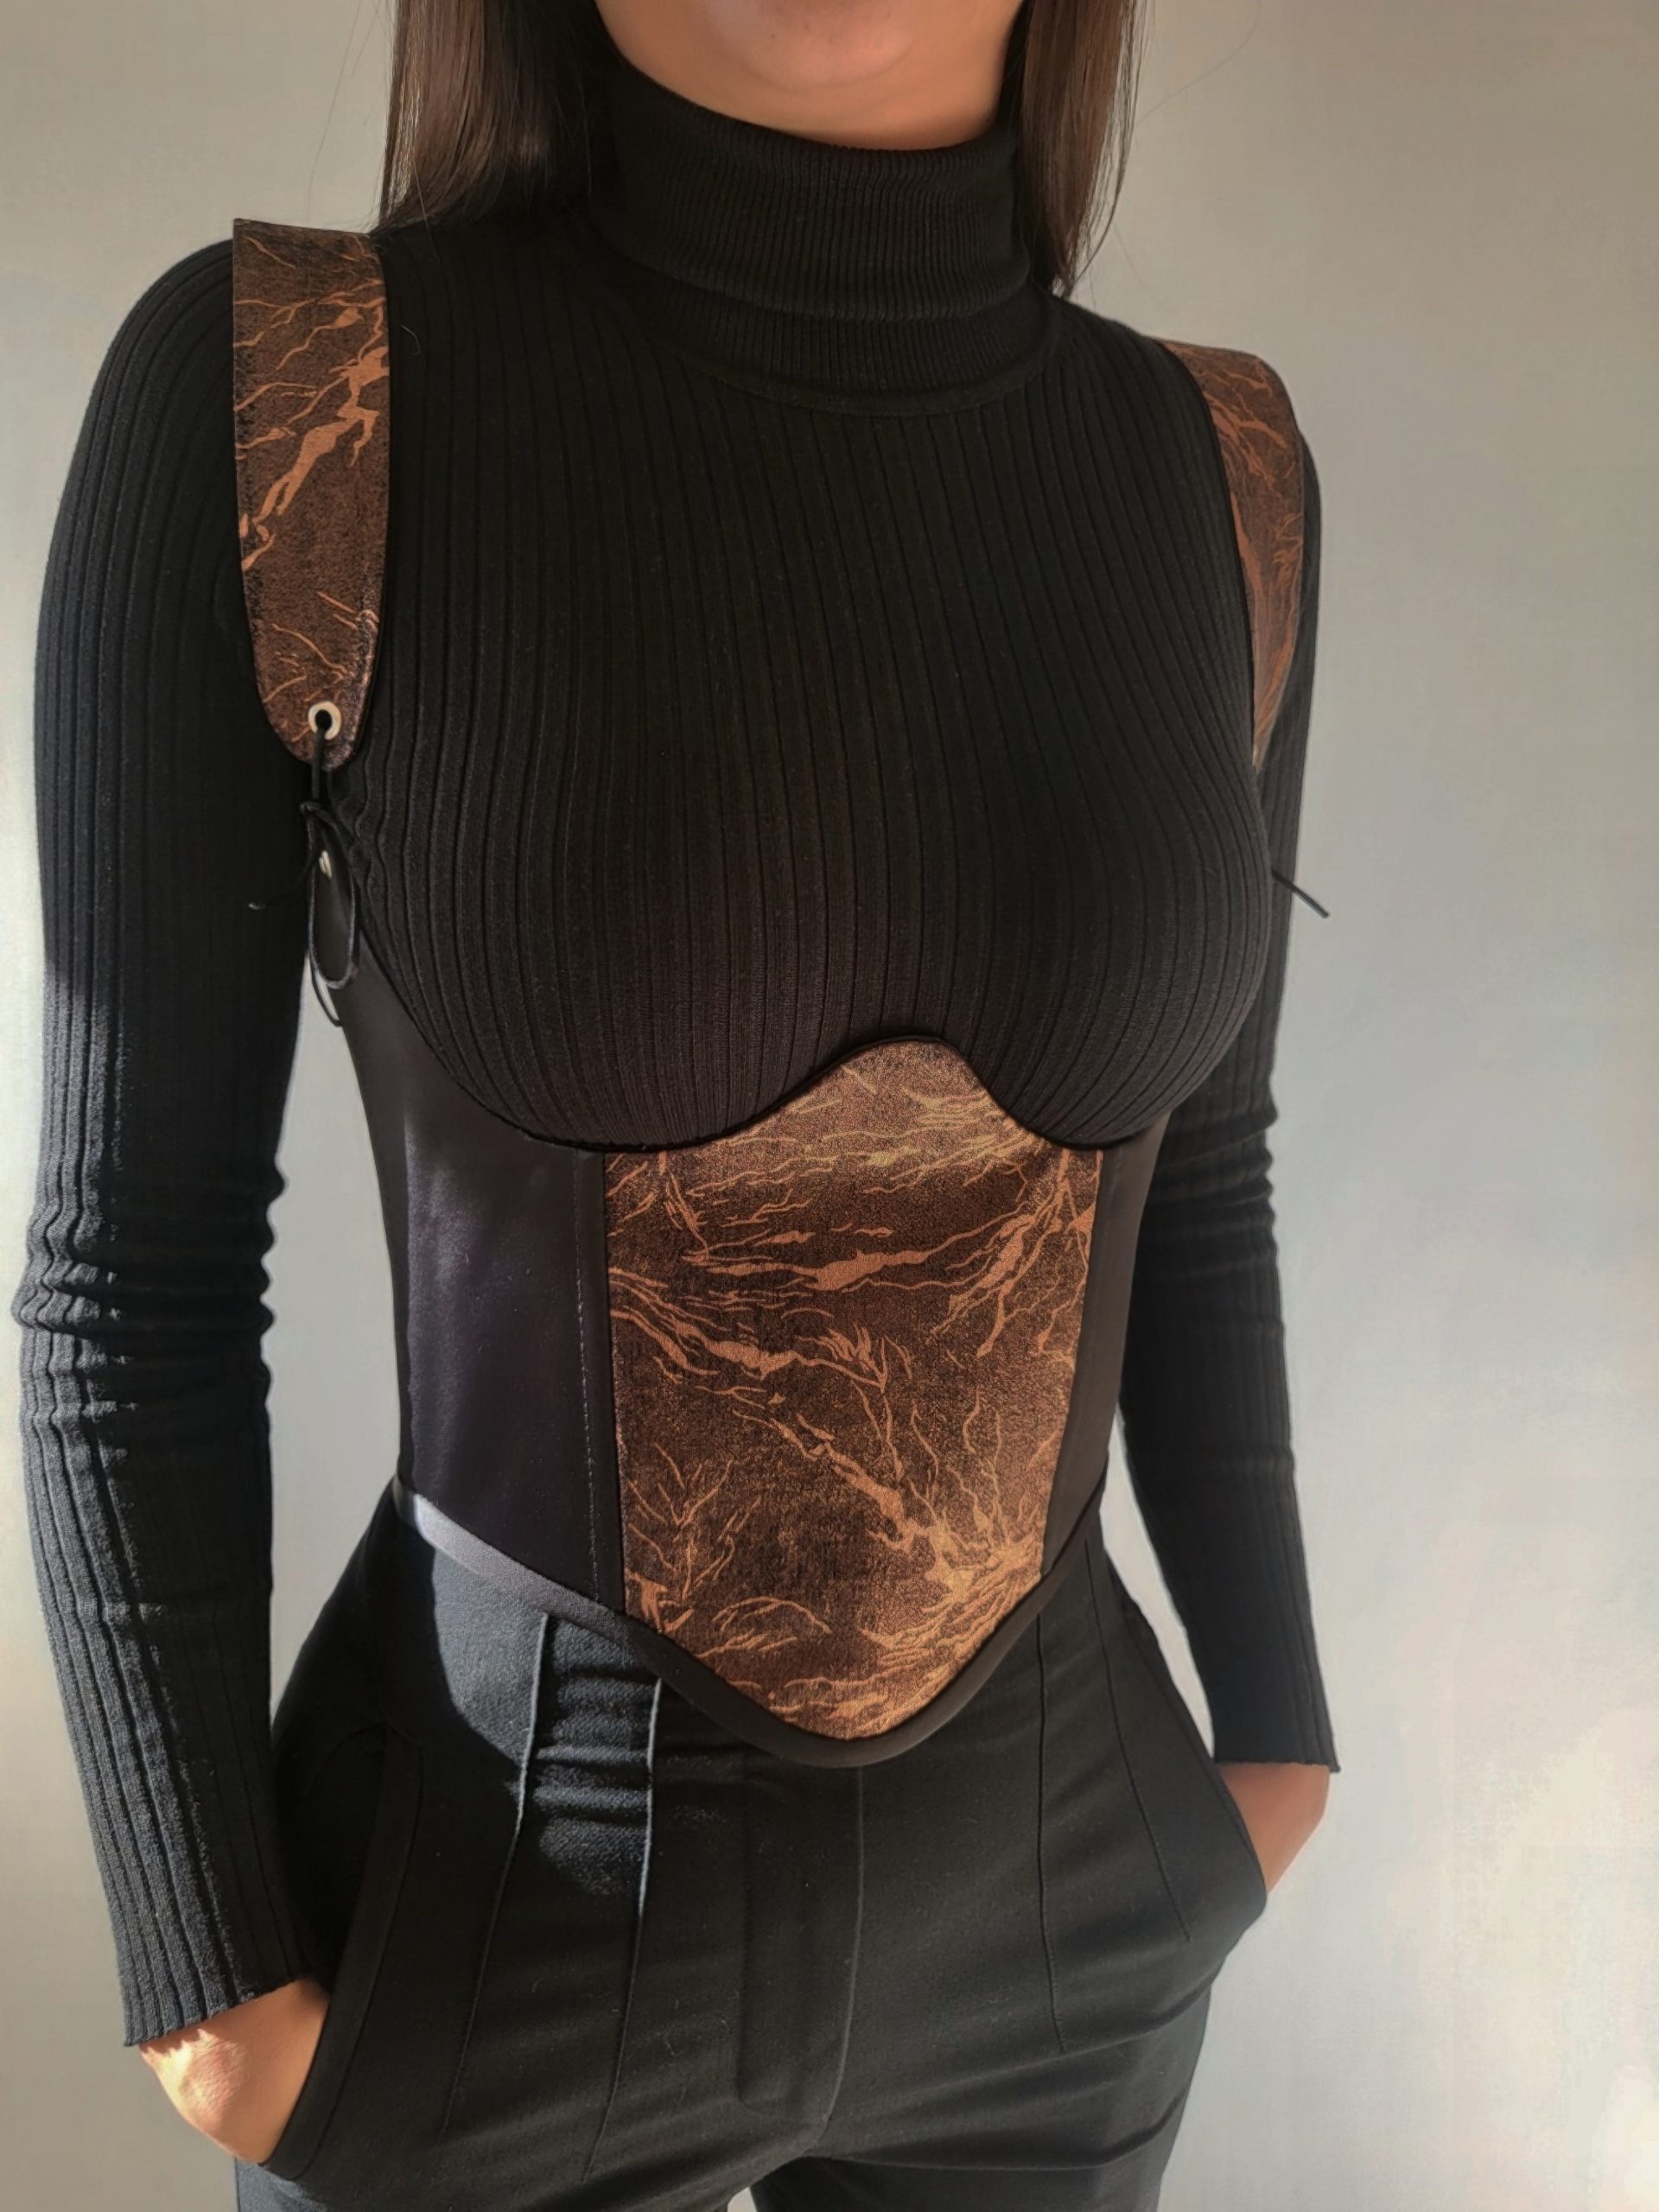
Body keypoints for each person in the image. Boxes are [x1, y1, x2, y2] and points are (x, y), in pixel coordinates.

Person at [12, 2, 1338, 2206]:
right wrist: (203, 1967)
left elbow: (1206, 1167)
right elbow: (128, 1263)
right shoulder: (289, 398)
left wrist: (1274, 1735)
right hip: (480, 1929)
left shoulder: (1222, 472)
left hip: (1065, 1931)